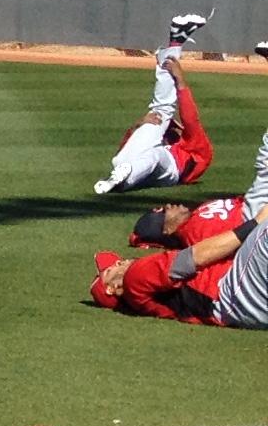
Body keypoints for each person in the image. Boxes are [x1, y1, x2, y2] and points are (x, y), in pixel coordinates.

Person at [89, 125, 268, 325]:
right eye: (110, 270)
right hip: (235, 293)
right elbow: (194, 257)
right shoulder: (135, 278)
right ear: (112, 288)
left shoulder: (149, 298)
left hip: (247, 307)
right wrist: (255, 224)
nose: (120, 262)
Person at [94, 17, 215, 195]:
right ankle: (176, 41)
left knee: (155, 153)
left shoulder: (196, 146)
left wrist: (181, 82)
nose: (169, 130)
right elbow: (123, 153)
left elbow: (190, 119)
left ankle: (176, 41)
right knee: (156, 117)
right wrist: (138, 125)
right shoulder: (158, 136)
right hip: (129, 164)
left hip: (172, 171)